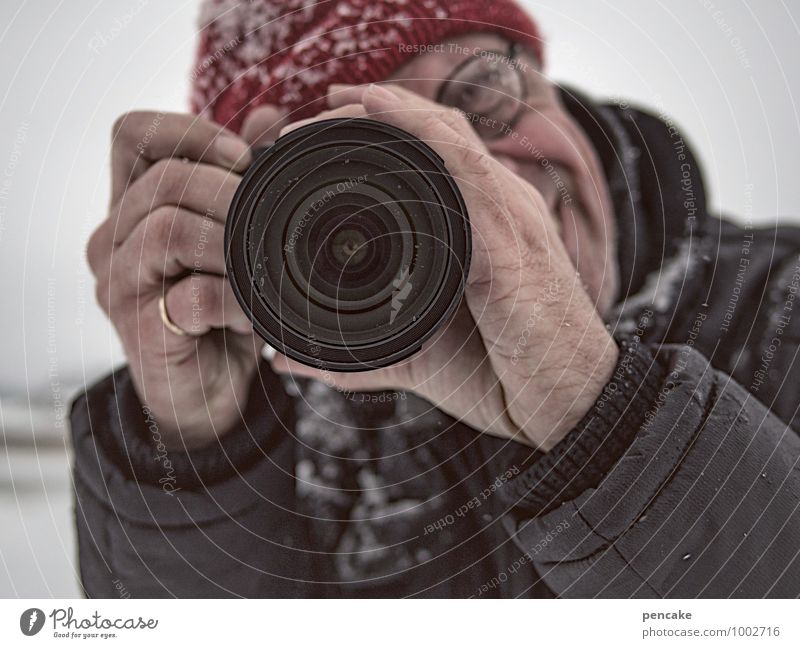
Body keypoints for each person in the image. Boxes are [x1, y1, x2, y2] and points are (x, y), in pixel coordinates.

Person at [71, 0, 800, 598]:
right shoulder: (304, 437)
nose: (475, 173)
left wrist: (598, 412)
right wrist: (196, 450)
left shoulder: (782, 308)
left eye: (482, 93)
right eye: (374, 166)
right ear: (258, 239)